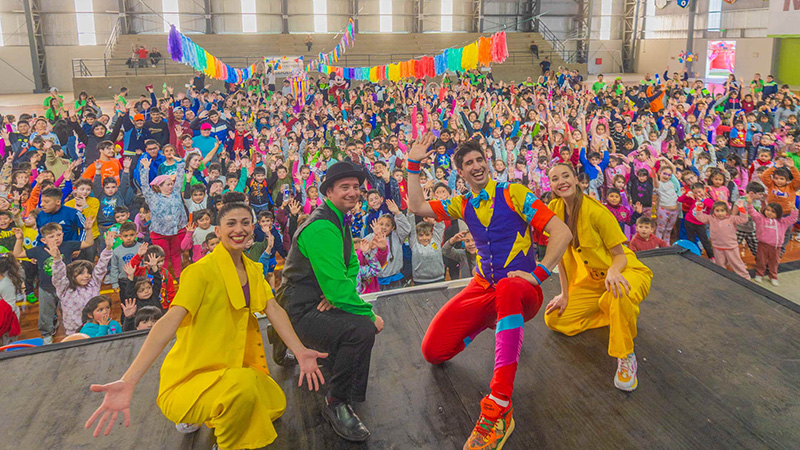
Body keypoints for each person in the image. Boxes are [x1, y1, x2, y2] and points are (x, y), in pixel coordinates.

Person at [85, 202, 328, 450]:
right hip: (193, 375)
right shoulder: (199, 272)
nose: (239, 229)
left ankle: (211, 411)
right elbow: (168, 321)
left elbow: (273, 309)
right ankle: (216, 437)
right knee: (242, 390)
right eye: (230, 223)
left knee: (275, 404)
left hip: (232, 367)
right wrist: (129, 380)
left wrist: (300, 351)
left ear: (253, 228)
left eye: (245, 223)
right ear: (218, 231)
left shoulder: (253, 269)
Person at [406, 134, 572, 450]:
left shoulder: (514, 193)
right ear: (461, 173)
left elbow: (561, 233)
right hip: (482, 288)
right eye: (469, 163)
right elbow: (415, 206)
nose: (477, 165)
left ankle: (498, 407)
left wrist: (540, 273)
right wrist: (412, 163)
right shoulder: (462, 203)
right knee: (433, 352)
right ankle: (488, 320)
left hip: (521, 290)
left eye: (480, 159)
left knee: (509, 285)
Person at [276, 161, 384, 443]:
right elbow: (338, 288)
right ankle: (336, 402)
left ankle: (342, 377)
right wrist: (370, 315)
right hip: (299, 309)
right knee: (362, 330)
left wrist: (332, 292)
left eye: (356, 187)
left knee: (354, 323)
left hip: (316, 299)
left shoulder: (339, 218)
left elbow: (349, 265)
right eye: (344, 187)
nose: (353, 192)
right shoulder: (322, 226)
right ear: (329, 192)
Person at [544, 163, 653, 392]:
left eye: (566, 176)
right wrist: (564, 294)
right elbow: (562, 257)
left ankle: (626, 356)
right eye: (555, 179)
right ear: (551, 185)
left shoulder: (597, 211)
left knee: (619, 292)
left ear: (576, 179)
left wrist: (614, 271)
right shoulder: (554, 210)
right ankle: (616, 312)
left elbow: (619, 256)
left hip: (624, 272)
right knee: (555, 320)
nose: (561, 181)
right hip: (595, 283)